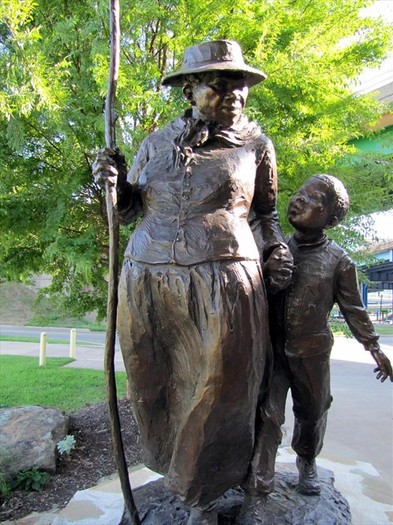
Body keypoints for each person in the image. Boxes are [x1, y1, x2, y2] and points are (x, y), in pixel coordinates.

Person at [93, 40, 293, 525]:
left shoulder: (256, 147)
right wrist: (111, 184)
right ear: (189, 89)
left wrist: (277, 248)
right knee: (154, 382)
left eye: (240, 86)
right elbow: (126, 212)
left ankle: (204, 488)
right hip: (146, 278)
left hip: (223, 280)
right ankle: (173, 475)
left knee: (220, 388)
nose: (235, 96)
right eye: (219, 86)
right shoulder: (155, 144)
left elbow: (265, 215)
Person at [238, 174, 393, 524]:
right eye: (300, 193)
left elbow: (354, 309)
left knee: (312, 413)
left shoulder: (339, 260)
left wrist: (374, 348)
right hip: (273, 352)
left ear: (330, 218)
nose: (299, 200)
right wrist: (264, 268)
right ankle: (258, 491)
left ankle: (307, 461)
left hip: (312, 353)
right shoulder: (272, 247)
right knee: (268, 418)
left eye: (312, 199)